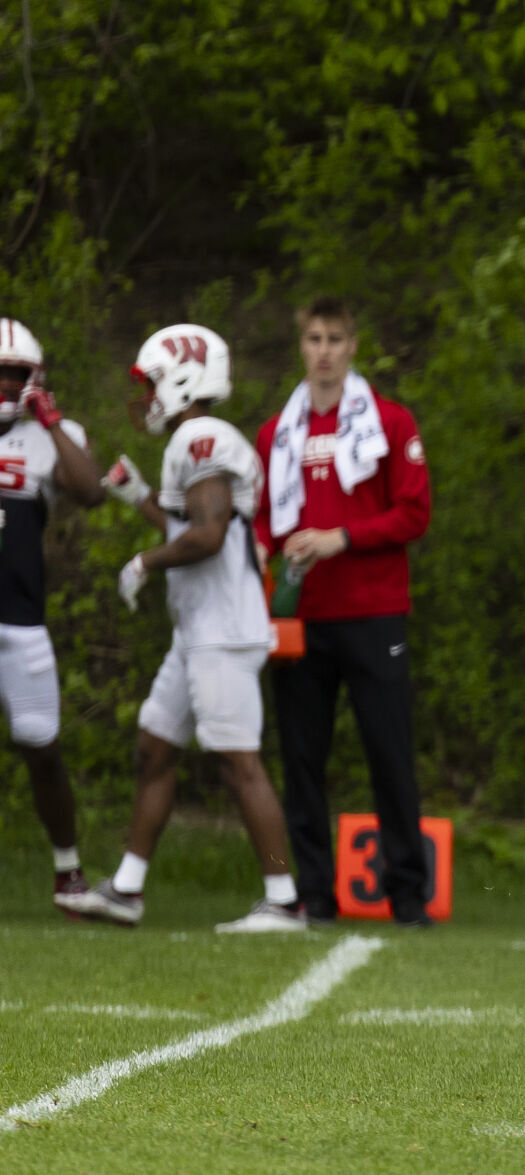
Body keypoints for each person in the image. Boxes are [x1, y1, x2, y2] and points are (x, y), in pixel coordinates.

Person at [62, 324, 305, 932]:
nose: (146, 399)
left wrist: (144, 562)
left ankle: (283, 899)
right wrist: (139, 496)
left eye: (151, 385)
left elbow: (207, 534)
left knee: (239, 764)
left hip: (222, 630)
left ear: (183, 380)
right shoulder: (198, 441)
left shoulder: (200, 436)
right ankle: (127, 889)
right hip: (200, 630)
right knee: (154, 748)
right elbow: (188, 523)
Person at [254, 296, 432, 927]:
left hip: (374, 612)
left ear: (353, 345)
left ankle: (409, 895)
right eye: (313, 339)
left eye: (334, 338)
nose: (324, 350)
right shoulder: (277, 433)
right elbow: (260, 526)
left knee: (389, 752)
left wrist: (341, 538)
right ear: (300, 346)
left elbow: (415, 513)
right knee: (302, 760)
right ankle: (316, 897)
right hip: (301, 621)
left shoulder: (389, 421)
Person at [0, 318, 108, 916]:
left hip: (19, 617)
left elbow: (91, 490)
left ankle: (67, 872)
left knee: (41, 748)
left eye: (15, 373)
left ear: (34, 378)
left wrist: (46, 421)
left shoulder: (56, 434)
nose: (5, 383)